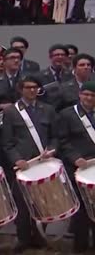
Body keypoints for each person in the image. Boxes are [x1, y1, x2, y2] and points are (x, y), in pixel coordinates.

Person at [1, 76, 58, 254]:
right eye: (28, 87)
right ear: (21, 89)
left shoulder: (48, 110)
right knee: (23, 203)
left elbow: (56, 136)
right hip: (23, 165)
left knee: (43, 202)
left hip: (44, 163)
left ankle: (39, 236)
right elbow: (7, 142)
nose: (32, 90)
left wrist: (53, 149)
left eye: (35, 87)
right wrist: (16, 159)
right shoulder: (11, 112)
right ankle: (23, 238)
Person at [58, 81, 95, 253]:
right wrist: (75, 158)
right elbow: (63, 141)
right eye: (86, 94)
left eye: (93, 95)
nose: (89, 98)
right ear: (80, 95)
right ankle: (80, 245)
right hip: (79, 168)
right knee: (81, 210)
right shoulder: (67, 115)